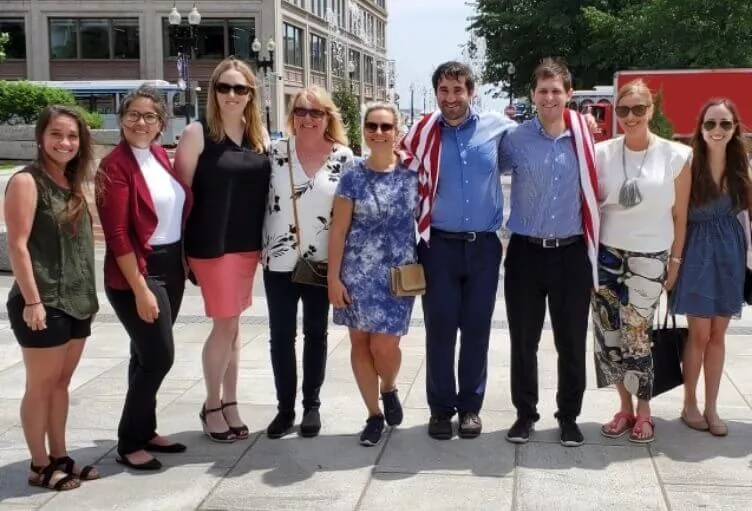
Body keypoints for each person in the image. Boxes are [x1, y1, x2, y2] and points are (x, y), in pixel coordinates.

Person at [400, 61, 514, 440]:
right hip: (438, 248)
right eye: (444, 91)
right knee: (440, 331)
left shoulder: (497, 128)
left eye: (458, 90)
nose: (451, 98)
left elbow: (533, 144)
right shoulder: (421, 133)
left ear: (471, 92)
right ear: (437, 93)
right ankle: (440, 409)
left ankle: (469, 408)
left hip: (482, 247)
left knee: (477, 331)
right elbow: (398, 172)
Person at [501, 58, 600, 447]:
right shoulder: (515, 139)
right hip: (526, 253)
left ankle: (569, 416)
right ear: (533, 95)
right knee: (523, 341)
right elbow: (486, 172)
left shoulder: (586, 139)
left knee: (571, 341)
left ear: (569, 95)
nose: (549, 97)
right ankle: (525, 414)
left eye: (556, 90)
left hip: (571, 254)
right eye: (542, 91)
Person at [174, 57, 271, 442]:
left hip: (246, 246)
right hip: (211, 245)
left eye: (240, 88)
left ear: (251, 94)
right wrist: (180, 255)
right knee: (225, 324)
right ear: (213, 91)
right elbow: (179, 198)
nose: (232, 95)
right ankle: (211, 404)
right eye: (224, 87)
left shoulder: (258, 137)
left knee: (233, 328)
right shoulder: (198, 134)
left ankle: (229, 402)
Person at [97, 85, 193, 469]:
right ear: (122, 120)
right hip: (137, 270)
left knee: (143, 354)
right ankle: (128, 441)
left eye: (149, 116)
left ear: (160, 124)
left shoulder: (157, 155)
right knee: (158, 357)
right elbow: (117, 234)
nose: (141, 122)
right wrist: (139, 287)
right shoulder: (114, 166)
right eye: (133, 114)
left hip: (171, 266)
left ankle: (146, 428)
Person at [591, 79, 691, 444]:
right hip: (607, 254)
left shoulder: (675, 155)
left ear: (651, 110)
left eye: (638, 109)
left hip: (651, 255)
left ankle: (645, 411)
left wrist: (676, 260)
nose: (630, 117)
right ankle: (624, 407)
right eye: (623, 110)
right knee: (607, 335)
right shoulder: (602, 153)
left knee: (638, 335)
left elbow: (681, 215)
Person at [5, 105, 99, 490]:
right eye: (57, 135)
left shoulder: (70, 181)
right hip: (42, 302)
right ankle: (39, 464)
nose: (65, 142)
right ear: (40, 137)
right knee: (40, 386)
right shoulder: (28, 182)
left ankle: (60, 455)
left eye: (73, 136)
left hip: (77, 301)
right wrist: (32, 301)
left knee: (61, 384)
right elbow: (17, 245)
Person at [261, 86, 353, 438]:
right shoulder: (273, 152)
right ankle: (285, 409)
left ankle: (311, 406)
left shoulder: (343, 158)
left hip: (322, 264)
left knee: (316, 334)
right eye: (301, 111)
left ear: (328, 116)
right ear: (292, 115)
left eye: (316, 112)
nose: (308, 118)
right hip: (279, 261)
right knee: (280, 337)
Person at [329, 103, 419, 446]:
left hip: (399, 276)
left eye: (385, 126)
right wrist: (334, 279)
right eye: (372, 126)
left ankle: (389, 386)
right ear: (364, 130)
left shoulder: (412, 176)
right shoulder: (352, 174)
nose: (378, 132)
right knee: (360, 343)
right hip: (357, 273)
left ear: (396, 131)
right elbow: (338, 230)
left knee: (385, 345)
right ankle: (373, 414)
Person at [671, 99, 750, 437]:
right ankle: (689, 402)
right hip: (697, 253)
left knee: (719, 334)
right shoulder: (689, 165)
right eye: (710, 124)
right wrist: (674, 263)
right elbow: (678, 218)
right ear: (700, 129)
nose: (717, 130)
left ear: (735, 130)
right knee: (699, 334)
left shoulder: (741, 168)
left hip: (730, 255)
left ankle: (712, 406)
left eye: (724, 124)